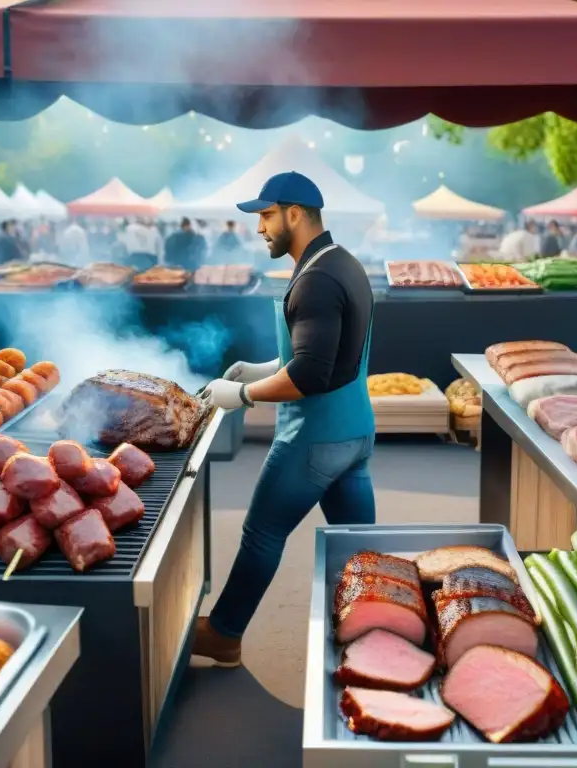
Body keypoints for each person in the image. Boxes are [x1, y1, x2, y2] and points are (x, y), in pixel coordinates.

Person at [196, 172, 376, 666]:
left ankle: (225, 635)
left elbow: (312, 374)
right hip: (356, 434)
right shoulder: (344, 263)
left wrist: (244, 394)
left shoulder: (315, 279)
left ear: (295, 213)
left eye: (267, 216)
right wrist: (262, 367)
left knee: (261, 534)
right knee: (360, 551)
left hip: (313, 441)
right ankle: (376, 633)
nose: (260, 228)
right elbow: (318, 355)